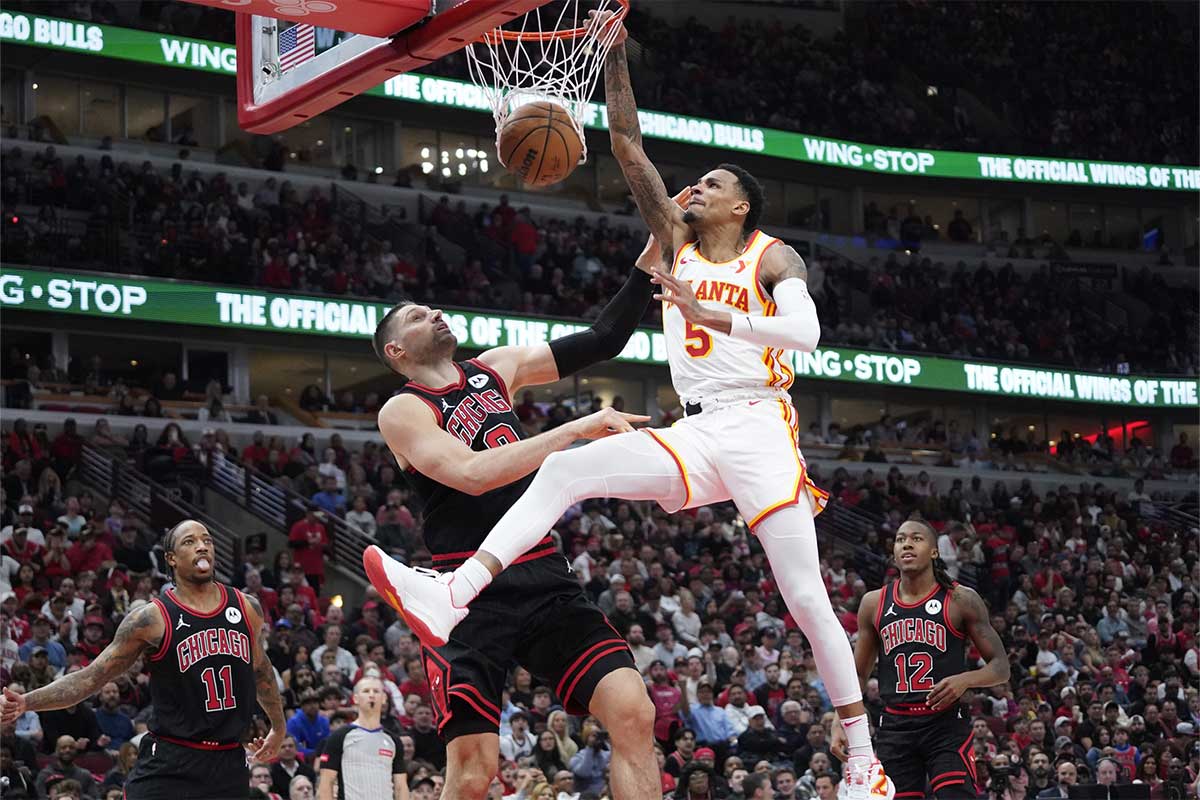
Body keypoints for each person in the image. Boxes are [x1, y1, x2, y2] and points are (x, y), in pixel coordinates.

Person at [369, 12, 890, 800]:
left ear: (742, 208)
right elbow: (626, 146)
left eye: (714, 184)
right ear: (396, 355)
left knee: (806, 596)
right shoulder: (674, 241)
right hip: (699, 427)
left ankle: (861, 755)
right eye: (699, 183)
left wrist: (713, 313)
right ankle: (454, 590)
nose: (698, 188)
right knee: (574, 466)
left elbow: (806, 333)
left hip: (759, 427)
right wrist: (612, 63)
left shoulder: (770, 253)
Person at [360, 232, 668, 799]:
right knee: (475, 777)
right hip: (468, 592)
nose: (434, 312)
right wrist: (574, 431)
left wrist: (646, 267)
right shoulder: (402, 410)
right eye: (416, 315)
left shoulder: (495, 368)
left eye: (433, 307)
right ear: (396, 352)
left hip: (543, 574)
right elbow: (475, 473)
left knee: (633, 712)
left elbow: (604, 339)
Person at [1, 520, 286, 799]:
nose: (202, 547)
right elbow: (91, 677)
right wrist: (27, 702)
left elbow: (260, 670)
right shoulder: (152, 618)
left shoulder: (247, 607)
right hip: (171, 759)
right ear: (171, 559)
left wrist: (278, 726)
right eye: (190, 542)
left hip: (228, 762)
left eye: (207, 541)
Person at [831, 518, 1010, 799]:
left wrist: (965, 680)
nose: (907, 544)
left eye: (916, 538)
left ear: (935, 551)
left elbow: (1001, 667)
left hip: (945, 722)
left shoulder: (961, 599)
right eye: (901, 539)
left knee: (956, 795)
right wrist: (839, 720)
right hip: (895, 725)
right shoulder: (873, 603)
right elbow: (858, 676)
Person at [316, 675, 408, 800]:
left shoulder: (393, 741)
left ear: (384, 699)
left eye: (376, 691)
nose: (371, 695)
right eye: (366, 691)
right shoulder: (339, 737)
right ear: (356, 698)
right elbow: (326, 783)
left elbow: (400, 786)